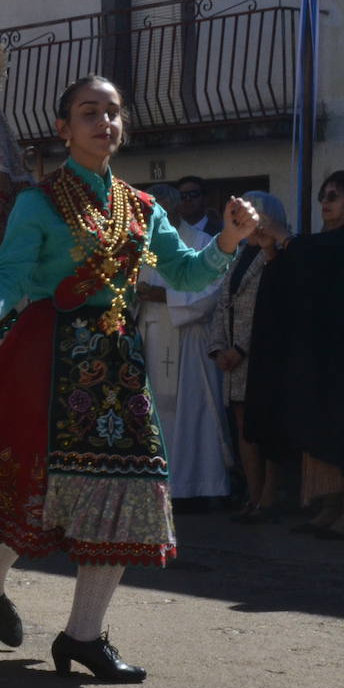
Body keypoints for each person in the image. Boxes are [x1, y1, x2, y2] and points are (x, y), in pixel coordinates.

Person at [0, 75, 259, 682]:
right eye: (88, 112)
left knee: (126, 493)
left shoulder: (143, 207)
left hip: (118, 367)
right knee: (39, 494)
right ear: (63, 128)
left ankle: (83, 636)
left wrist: (229, 239)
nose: (104, 122)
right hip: (49, 363)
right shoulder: (39, 203)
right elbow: (9, 278)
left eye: (112, 112)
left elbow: (182, 273)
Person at [257, 172, 344, 539]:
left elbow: (318, 256)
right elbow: (295, 271)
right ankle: (329, 502)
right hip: (317, 351)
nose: (325, 202)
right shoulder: (321, 241)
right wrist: (270, 249)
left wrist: (285, 237)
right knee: (319, 426)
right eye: (323, 195)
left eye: (334, 196)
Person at [137, 184, 231, 508]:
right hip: (150, 334)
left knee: (194, 412)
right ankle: (158, 485)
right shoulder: (142, 245)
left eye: (158, 211)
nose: (152, 218)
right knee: (153, 415)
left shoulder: (201, 243)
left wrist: (163, 296)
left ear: (173, 210)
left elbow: (212, 290)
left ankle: (199, 486)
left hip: (188, 339)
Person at [212, 191, 288, 524]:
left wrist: (240, 348)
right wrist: (218, 347)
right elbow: (222, 301)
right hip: (232, 359)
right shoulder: (240, 252)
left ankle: (269, 496)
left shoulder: (278, 255)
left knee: (265, 426)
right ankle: (253, 494)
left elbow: (270, 309)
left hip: (258, 355)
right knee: (243, 427)